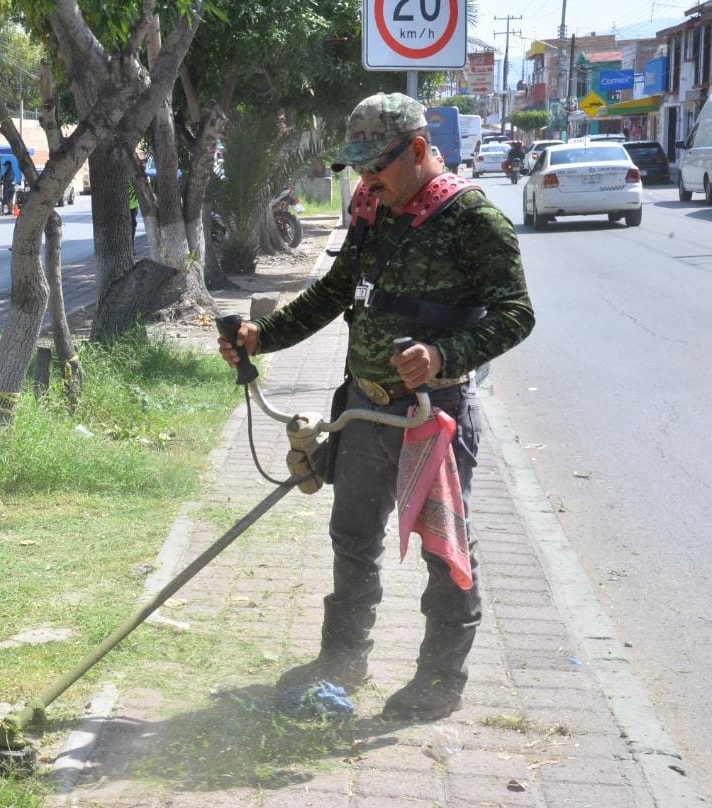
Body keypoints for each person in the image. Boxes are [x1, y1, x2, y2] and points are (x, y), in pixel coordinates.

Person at [217, 93, 534, 721]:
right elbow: (335, 292)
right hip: (365, 408)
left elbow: (516, 315)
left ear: (417, 151)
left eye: (376, 167)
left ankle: (440, 681)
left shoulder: (473, 219)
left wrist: (444, 353)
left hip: (432, 417)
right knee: (353, 535)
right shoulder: (372, 212)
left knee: (446, 552)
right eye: (359, 169)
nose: (366, 181)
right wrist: (265, 335)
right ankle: (344, 658)